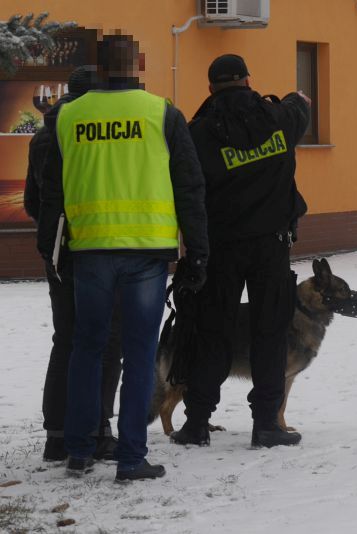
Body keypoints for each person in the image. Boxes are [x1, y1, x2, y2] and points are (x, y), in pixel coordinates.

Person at [38, 33, 209, 480]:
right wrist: (198, 252)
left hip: (89, 251)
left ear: (98, 65)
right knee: (137, 355)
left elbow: (51, 194)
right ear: (139, 64)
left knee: (86, 349)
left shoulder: (67, 117)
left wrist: (51, 252)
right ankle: (131, 458)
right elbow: (191, 188)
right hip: (146, 255)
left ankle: (78, 451)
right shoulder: (162, 114)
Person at [170, 54, 310, 449]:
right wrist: (295, 97)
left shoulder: (198, 134)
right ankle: (267, 423)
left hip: (220, 247)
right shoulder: (281, 119)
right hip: (272, 245)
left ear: (211, 87)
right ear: (249, 80)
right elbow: (300, 105)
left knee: (211, 332)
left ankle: (196, 422)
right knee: (270, 333)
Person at [24, 66, 123, 463]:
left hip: (56, 249)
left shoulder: (43, 135)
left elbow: (34, 201)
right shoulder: (94, 135)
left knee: (66, 338)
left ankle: (58, 434)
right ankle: (98, 429)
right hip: (96, 246)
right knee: (106, 339)